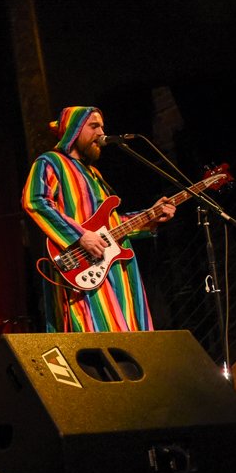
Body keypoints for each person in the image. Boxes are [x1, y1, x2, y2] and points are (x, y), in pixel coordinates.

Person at [21, 106, 175, 332]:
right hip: (81, 265)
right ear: (74, 130)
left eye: (102, 126)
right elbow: (35, 201)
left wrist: (150, 217)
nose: (101, 132)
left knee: (129, 337)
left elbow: (112, 224)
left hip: (113, 267)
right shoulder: (51, 162)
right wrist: (80, 236)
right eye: (94, 126)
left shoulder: (94, 174)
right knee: (96, 332)